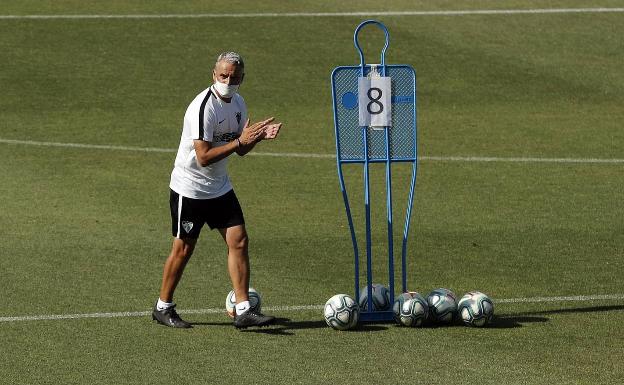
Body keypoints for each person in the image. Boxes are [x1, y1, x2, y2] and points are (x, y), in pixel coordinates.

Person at [152, 51, 282, 329]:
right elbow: (204, 156)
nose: (228, 81)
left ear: (242, 78)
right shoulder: (203, 107)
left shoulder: (238, 103)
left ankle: (244, 309)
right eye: (223, 75)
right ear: (214, 74)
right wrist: (239, 142)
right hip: (190, 189)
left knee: (239, 240)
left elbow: (242, 150)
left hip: (219, 187)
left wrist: (257, 137)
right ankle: (163, 307)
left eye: (234, 77)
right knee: (183, 249)